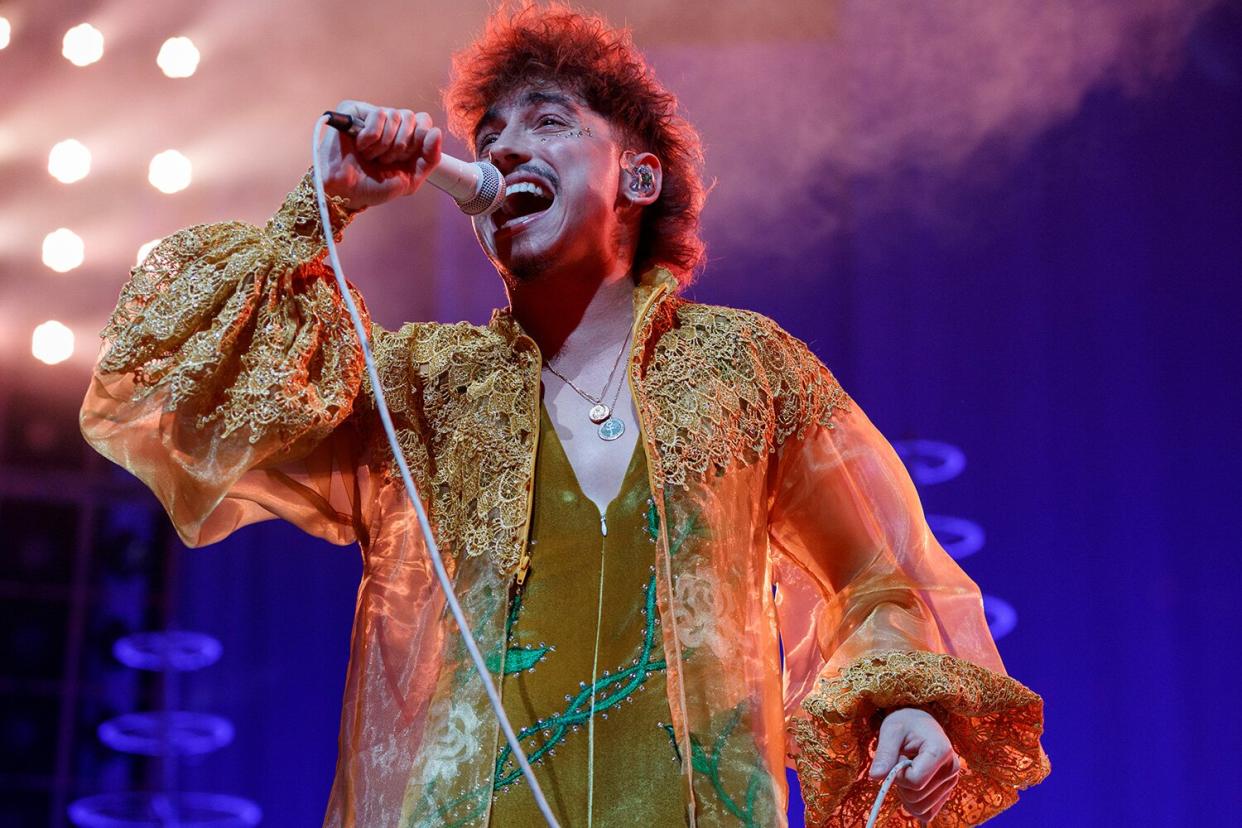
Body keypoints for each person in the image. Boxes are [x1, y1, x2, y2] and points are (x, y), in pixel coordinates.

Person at [80, 3, 1050, 826]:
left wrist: (905, 703)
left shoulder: (748, 367)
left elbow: (877, 573)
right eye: (490, 135)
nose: (502, 148)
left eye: (546, 123)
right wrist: (321, 210)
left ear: (639, 177)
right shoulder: (423, 384)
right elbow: (176, 390)